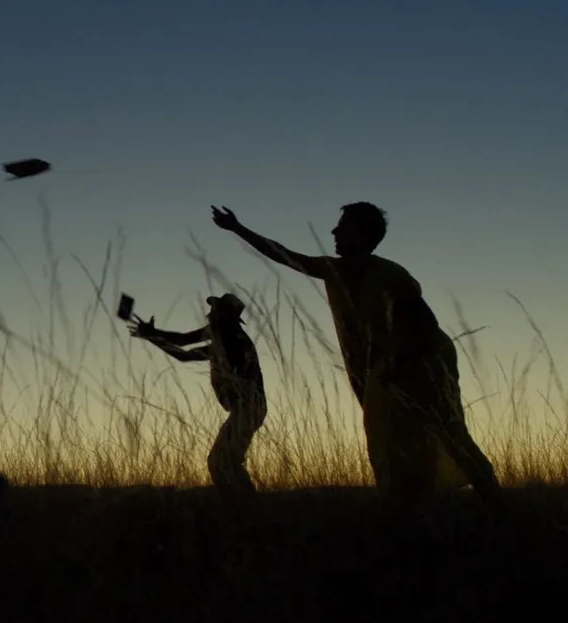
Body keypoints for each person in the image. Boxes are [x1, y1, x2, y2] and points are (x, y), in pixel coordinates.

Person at [209, 202, 501, 507]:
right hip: (386, 368)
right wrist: (238, 228)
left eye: (343, 226)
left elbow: (425, 325)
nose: (334, 231)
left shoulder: (391, 275)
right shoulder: (334, 269)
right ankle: (413, 512)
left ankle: (492, 506)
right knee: (393, 443)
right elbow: (286, 257)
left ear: (364, 234)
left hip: (421, 363)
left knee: (447, 434)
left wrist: (398, 364)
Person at [129, 293, 267, 498]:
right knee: (224, 462)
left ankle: (247, 506)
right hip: (247, 410)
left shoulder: (229, 341)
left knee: (220, 463)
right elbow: (183, 342)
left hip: (248, 410)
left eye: (216, 310)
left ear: (225, 316)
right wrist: (153, 334)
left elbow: (183, 352)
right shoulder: (224, 334)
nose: (210, 313)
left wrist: (153, 336)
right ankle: (247, 504)